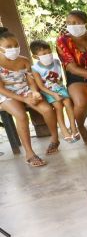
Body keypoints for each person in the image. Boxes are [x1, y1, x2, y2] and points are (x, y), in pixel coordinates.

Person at [0, 31, 59, 166]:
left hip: (24, 90)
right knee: (21, 115)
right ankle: (29, 154)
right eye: (8, 46)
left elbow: (31, 81)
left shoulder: (24, 61)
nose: (13, 49)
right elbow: (1, 89)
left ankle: (55, 139)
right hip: (6, 94)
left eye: (16, 45)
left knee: (47, 109)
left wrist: (34, 93)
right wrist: (25, 100)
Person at [56, 9, 87, 144]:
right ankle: (81, 127)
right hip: (77, 78)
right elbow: (73, 69)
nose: (72, 25)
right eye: (69, 23)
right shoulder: (63, 40)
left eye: (76, 22)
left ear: (85, 23)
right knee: (81, 102)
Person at [30, 39, 79, 143]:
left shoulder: (56, 62)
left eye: (49, 52)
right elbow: (41, 86)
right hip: (48, 91)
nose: (48, 55)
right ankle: (63, 129)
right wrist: (53, 94)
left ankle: (73, 126)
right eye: (44, 54)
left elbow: (62, 77)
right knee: (58, 106)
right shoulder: (35, 68)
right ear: (35, 56)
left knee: (68, 103)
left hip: (60, 88)